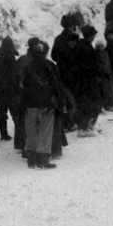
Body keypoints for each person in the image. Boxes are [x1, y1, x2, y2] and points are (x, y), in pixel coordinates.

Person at [20, 37, 66, 168]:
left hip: (30, 104)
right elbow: (57, 86)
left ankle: (31, 159)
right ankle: (43, 159)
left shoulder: (26, 65)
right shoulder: (50, 65)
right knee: (45, 132)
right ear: (45, 52)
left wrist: (22, 104)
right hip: (46, 103)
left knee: (31, 132)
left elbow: (22, 86)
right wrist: (61, 102)